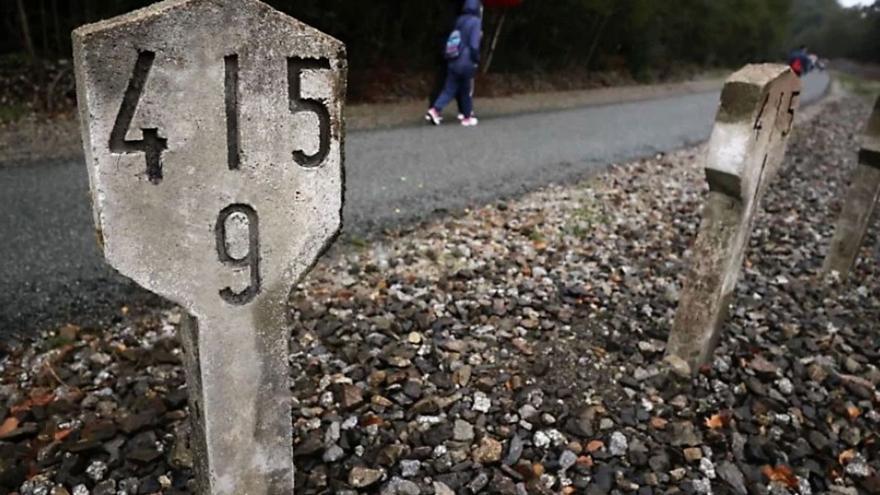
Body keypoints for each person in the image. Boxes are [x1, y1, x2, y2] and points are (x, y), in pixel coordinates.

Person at [426, 0, 483, 127]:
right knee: (465, 90)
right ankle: (467, 116)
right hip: (466, 61)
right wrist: (477, 58)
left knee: (449, 88)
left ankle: (435, 109)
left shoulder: (459, 20)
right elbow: (474, 45)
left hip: (454, 59)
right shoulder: (475, 22)